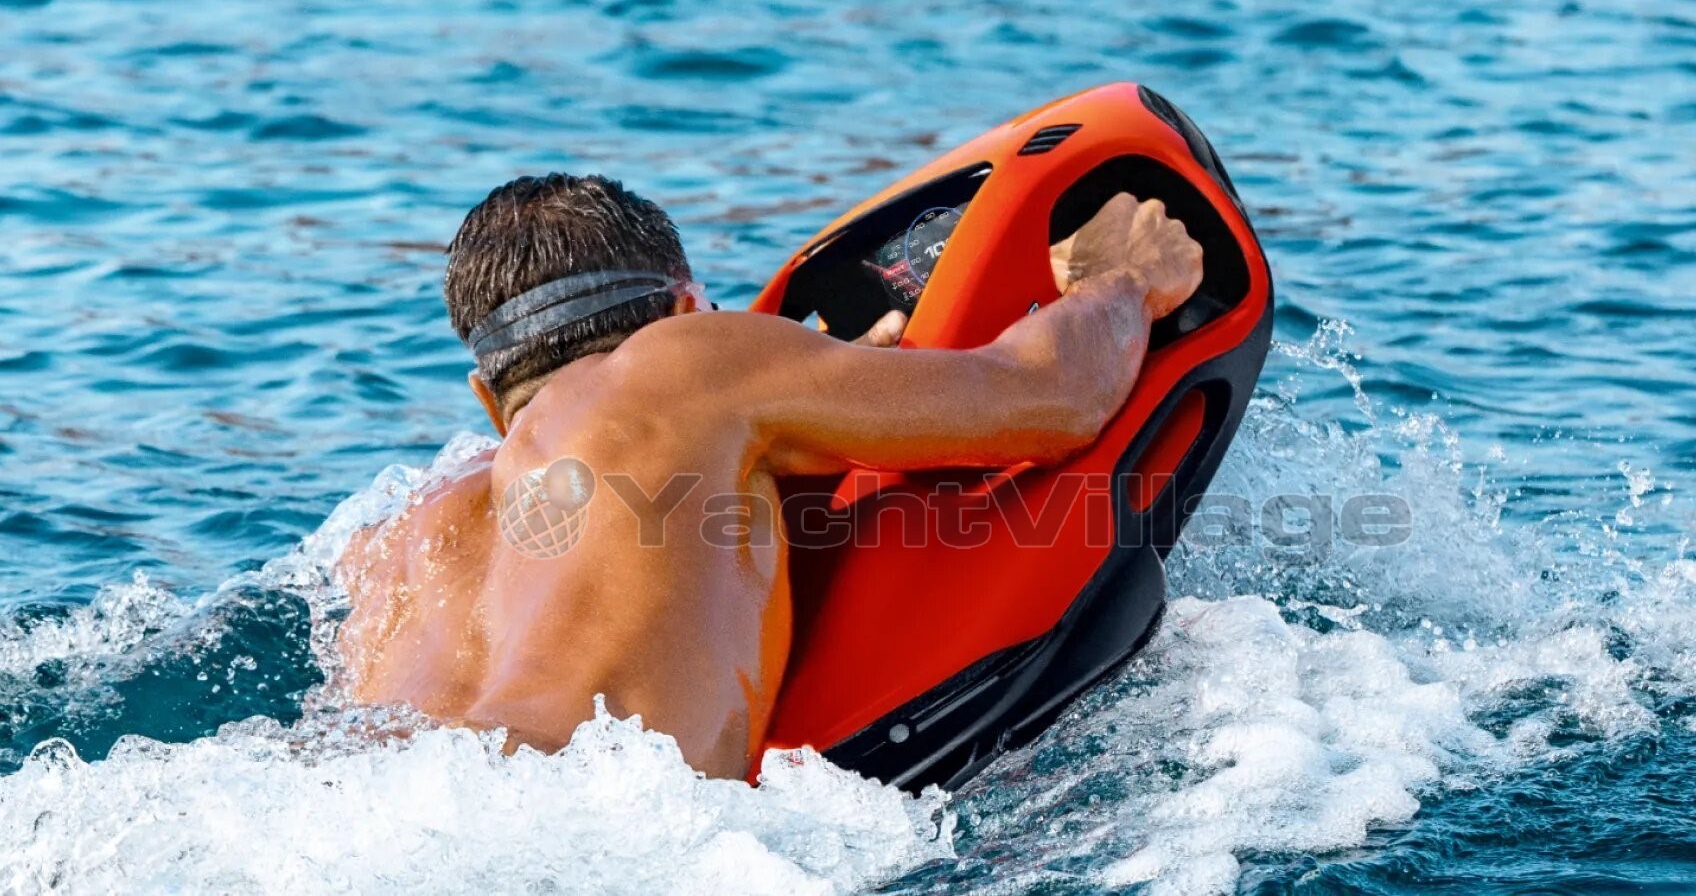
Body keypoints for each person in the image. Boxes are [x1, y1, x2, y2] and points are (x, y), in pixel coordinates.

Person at [336, 173, 1202, 778]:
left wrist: (830, 392)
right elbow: (1053, 396)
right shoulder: (681, 363)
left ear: (489, 398)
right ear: (686, 309)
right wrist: (1125, 279)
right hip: (570, 826)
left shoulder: (392, 542)